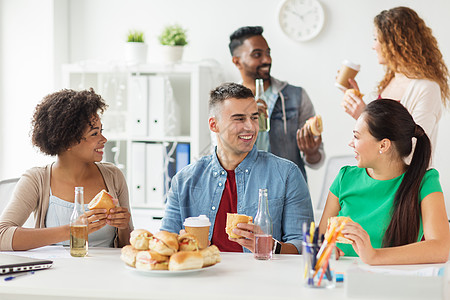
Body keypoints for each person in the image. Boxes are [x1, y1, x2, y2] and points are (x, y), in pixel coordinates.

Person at [161, 82, 314, 254]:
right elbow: (165, 242)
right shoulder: (183, 181)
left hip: (263, 279)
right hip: (202, 278)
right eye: (239, 119)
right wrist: (178, 244)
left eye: (254, 117)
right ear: (214, 125)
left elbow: (304, 246)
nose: (250, 127)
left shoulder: (287, 174)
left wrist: (269, 246)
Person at [319, 99, 450, 265]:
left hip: (392, 283)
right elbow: (320, 238)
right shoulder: (344, 178)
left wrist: (374, 256)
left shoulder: (425, 182)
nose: (351, 143)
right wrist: (327, 248)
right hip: (339, 280)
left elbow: (440, 248)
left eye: (356, 137)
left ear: (383, 145)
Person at [0, 89, 133, 251]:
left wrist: (124, 227)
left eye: (101, 131)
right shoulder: (36, 179)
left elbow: (126, 248)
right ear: (69, 141)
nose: (104, 139)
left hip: (106, 273)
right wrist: (73, 230)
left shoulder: (113, 176)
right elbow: (2, 235)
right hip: (55, 273)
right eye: (94, 134)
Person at [342, 6, 449, 162]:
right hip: (380, 180)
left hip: (408, 184)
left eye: (376, 39)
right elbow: (379, 139)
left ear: (394, 43)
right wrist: (363, 114)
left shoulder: (426, 88)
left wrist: (364, 115)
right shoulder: (389, 82)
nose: (373, 46)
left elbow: (413, 149)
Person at [229, 26, 325, 181]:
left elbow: (316, 161)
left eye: (268, 53)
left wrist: (312, 152)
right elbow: (222, 154)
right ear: (237, 61)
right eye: (257, 55)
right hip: (244, 189)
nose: (267, 60)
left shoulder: (296, 96)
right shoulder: (228, 103)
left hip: (290, 192)